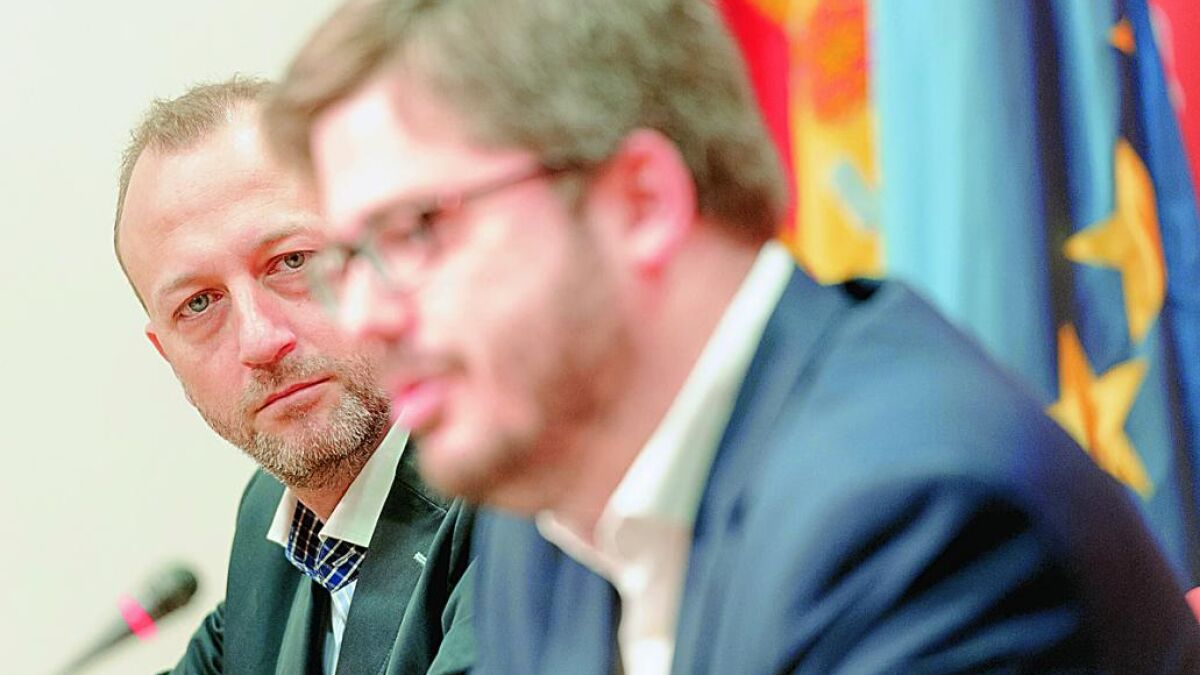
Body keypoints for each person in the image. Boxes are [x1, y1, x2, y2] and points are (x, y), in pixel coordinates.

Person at [266, 0, 1200, 672]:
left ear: (641, 202)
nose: (365, 316)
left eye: (416, 231)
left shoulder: (911, 515)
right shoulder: (540, 512)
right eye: (349, 258)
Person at [113, 77, 473, 675]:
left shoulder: (509, 488)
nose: (259, 341)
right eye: (199, 304)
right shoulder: (270, 523)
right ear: (166, 353)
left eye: (291, 261)